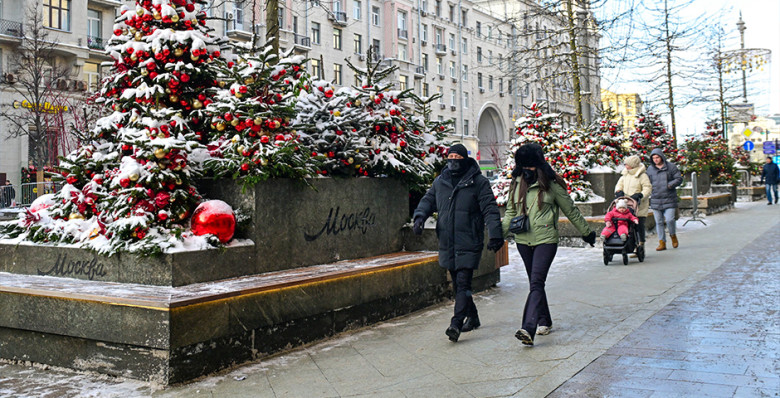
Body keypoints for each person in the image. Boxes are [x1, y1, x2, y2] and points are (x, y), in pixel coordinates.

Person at [502, 143, 595, 346]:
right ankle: (545, 320)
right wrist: (497, 236)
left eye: (531, 166)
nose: (527, 170)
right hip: (523, 239)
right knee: (535, 283)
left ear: (538, 165)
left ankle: (528, 327)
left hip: (546, 240)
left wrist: (586, 233)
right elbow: (510, 211)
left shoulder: (551, 184)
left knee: (536, 282)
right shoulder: (517, 183)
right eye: (523, 166)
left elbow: (571, 210)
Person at [412, 144, 503, 343]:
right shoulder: (440, 182)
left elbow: (489, 208)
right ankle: (474, 317)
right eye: (450, 156)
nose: (453, 160)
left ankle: (456, 324)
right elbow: (427, 201)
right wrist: (419, 217)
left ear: (465, 159)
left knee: (463, 284)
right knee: (458, 286)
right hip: (447, 241)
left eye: (457, 157)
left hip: (469, 240)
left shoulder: (478, 182)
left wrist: (496, 235)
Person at [645, 148, 683, 251]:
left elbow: (679, 178)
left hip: (669, 198)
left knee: (670, 219)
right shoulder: (650, 169)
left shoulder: (671, 167)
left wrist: (670, 184)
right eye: (653, 158)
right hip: (656, 198)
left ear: (661, 157)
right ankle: (662, 242)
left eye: (657, 157)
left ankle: (673, 235)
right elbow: (646, 182)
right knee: (659, 222)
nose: (655, 160)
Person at [614, 155, 652, 249]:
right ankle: (630, 243)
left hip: (639, 205)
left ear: (632, 165)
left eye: (627, 164)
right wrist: (619, 192)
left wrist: (640, 195)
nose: (625, 166)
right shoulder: (625, 175)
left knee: (638, 225)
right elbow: (619, 185)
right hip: (626, 204)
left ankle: (641, 243)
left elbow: (647, 187)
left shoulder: (642, 175)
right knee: (626, 224)